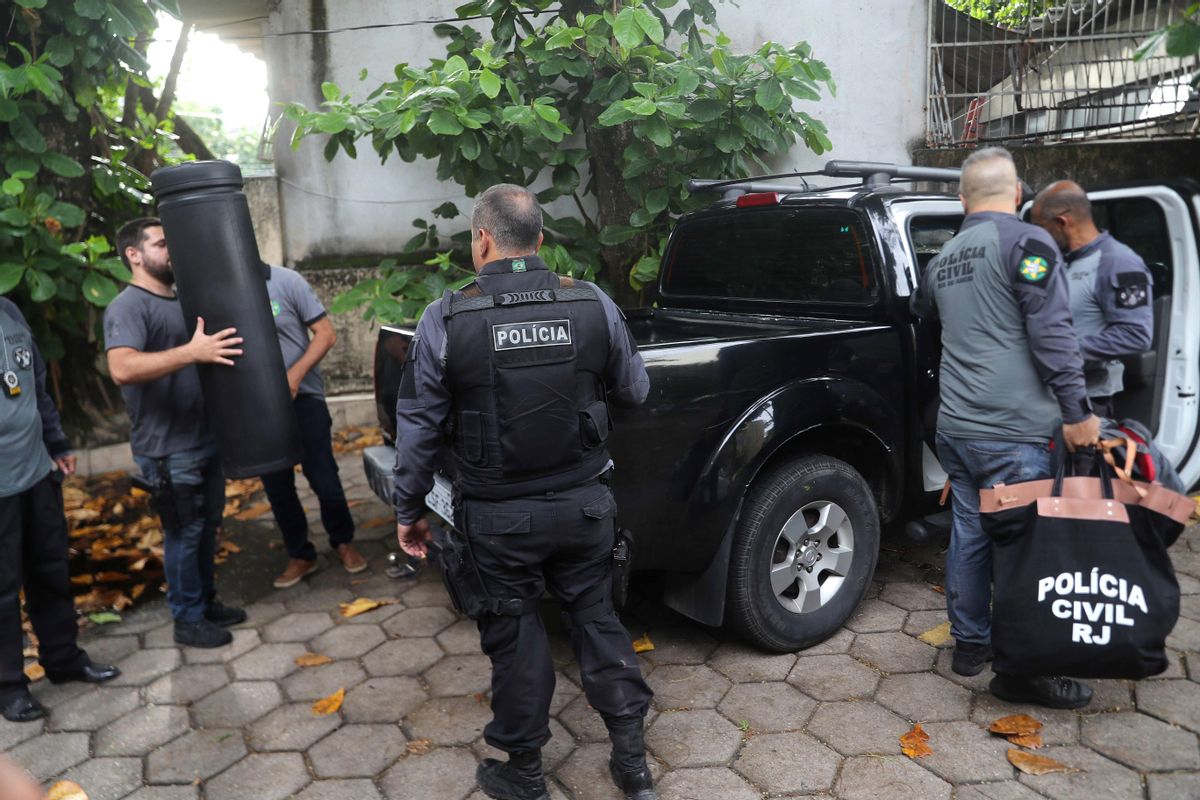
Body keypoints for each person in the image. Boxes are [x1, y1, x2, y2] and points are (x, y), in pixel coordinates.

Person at [394, 185, 657, 800]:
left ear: (481, 240)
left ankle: (525, 775)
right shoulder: (591, 302)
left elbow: (419, 432)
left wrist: (409, 511)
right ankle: (634, 767)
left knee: (514, 635)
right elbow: (637, 392)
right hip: (585, 506)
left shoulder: (446, 317)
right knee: (596, 618)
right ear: (539, 240)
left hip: (496, 519)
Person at [911, 147, 1101, 709]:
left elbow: (926, 322)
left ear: (961, 200)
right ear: (1017, 195)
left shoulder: (941, 259)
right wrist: (1078, 412)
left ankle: (970, 647)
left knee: (970, 534)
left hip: (958, 430)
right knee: (1023, 552)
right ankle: (1023, 672)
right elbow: (1053, 335)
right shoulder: (1029, 243)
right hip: (1015, 434)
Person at [104, 217, 247, 649]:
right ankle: (186, 619)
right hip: (167, 447)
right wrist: (191, 351)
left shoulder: (181, 300)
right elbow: (122, 368)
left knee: (205, 528)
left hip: (203, 436)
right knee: (183, 532)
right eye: (162, 243)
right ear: (134, 254)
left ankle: (204, 602)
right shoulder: (128, 307)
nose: (172, 251)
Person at [0, 297, 119, 722]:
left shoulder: (10, 311)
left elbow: (35, 386)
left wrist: (57, 442)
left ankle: (64, 658)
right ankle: (10, 686)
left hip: (35, 472)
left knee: (50, 570)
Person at [259, 262, 367, 588]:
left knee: (324, 477)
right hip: (258, 408)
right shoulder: (222, 289)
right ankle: (301, 554)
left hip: (303, 397)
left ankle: (343, 541)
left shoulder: (286, 281)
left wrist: (295, 374)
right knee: (277, 486)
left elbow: (326, 333)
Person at [1031, 180, 1154, 420]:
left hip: (1088, 403)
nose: (1039, 237)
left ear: (1061, 222)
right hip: (1051, 398)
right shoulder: (1063, 261)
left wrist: (1065, 350)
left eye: (1041, 228)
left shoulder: (1117, 262)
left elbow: (1136, 335)